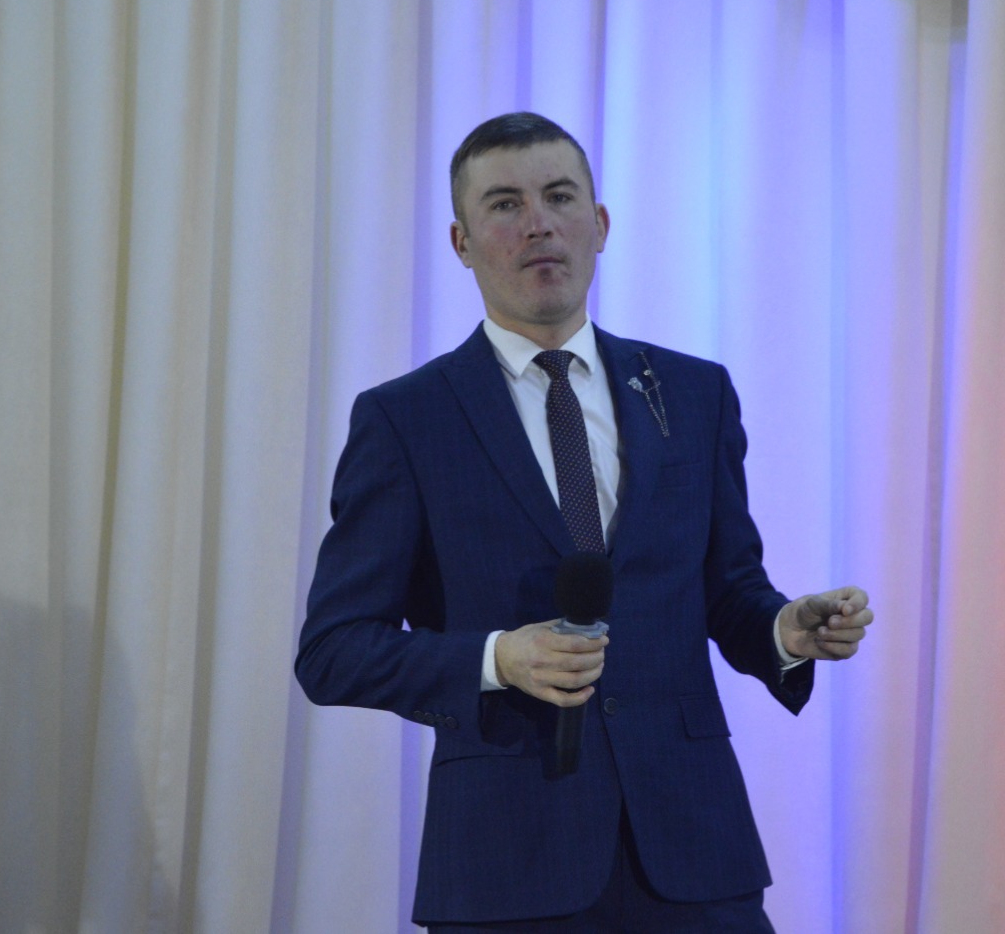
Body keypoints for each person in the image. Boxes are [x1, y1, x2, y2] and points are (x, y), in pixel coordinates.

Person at [295, 112, 873, 932]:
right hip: (507, 861)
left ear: (599, 224)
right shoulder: (406, 419)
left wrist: (784, 628)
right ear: (461, 242)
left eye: (560, 196)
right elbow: (334, 650)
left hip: (695, 852)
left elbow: (729, 592)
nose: (538, 223)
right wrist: (497, 657)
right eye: (505, 204)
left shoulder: (694, 393)